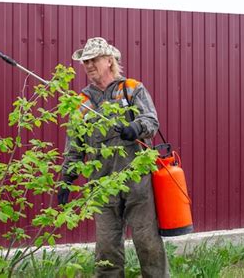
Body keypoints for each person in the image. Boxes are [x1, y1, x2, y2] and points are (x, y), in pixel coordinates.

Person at [58, 37, 169, 277]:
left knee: (147, 243)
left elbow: (151, 120)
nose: (88, 65)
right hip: (102, 186)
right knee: (106, 250)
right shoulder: (81, 102)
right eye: (85, 61)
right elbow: (75, 145)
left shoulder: (131, 88)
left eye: (93, 59)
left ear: (109, 60)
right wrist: (67, 178)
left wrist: (135, 128)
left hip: (137, 182)